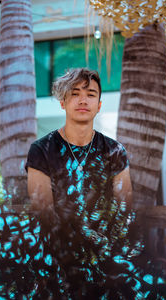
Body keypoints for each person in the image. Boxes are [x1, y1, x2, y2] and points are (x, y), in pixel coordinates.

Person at [26, 67, 132, 222]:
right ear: (63, 102)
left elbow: (124, 208)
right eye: (75, 94)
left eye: (90, 95)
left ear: (99, 106)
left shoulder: (114, 151)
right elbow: (42, 213)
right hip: (56, 243)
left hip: (105, 243)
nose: (83, 100)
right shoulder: (41, 150)